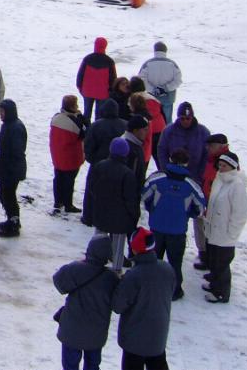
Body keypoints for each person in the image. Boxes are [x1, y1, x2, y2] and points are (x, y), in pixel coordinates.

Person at [142, 147, 205, 300]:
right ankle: (175, 290)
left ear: (170, 160)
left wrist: (153, 210)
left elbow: (145, 196)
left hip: (157, 227)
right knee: (175, 262)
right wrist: (186, 214)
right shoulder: (192, 185)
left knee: (154, 260)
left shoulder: (156, 178)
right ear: (186, 164)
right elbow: (200, 207)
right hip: (177, 231)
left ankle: (151, 287)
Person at [112, 228, 176, 370]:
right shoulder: (167, 269)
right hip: (158, 337)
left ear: (134, 249)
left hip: (134, 341)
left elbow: (118, 306)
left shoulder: (133, 276)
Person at [52, 237, 119, 370]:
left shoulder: (75, 269)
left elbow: (58, 282)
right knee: (93, 365)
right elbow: (117, 303)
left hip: (71, 331)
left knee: (70, 366)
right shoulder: (111, 278)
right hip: (96, 334)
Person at [83, 138, 139, 273]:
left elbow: (91, 187)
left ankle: (94, 265)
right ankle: (116, 271)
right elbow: (130, 198)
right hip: (120, 217)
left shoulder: (99, 166)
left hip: (101, 211)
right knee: (118, 246)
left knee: (98, 240)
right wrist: (134, 215)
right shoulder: (127, 173)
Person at [203, 151, 247, 303]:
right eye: (220, 165)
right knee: (214, 260)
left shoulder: (237, 185)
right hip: (214, 230)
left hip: (225, 234)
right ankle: (214, 285)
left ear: (232, 167)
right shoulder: (219, 180)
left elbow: (240, 213)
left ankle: (221, 293)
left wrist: (231, 233)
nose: (220, 168)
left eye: (224, 166)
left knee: (222, 264)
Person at [0, 99, 27, 237]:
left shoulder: (15, 127)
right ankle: (11, 218)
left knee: (8, 195)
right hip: (7, 167)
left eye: (2, 111)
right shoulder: (8, 125)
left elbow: (15, 150)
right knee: (4, 193)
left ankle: (14, 221)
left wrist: (3, 160)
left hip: (12, 169)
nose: (0, 114)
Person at [50, 95, 87, 214]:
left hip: (57, 155)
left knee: (58, 178)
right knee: (69, 181)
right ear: (73, 107)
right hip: (71, 157)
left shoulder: (55, 118)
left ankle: (58, 201)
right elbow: (85, 132)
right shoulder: (75, 122)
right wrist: (81, 117)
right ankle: (68, 204)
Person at [138, 42, 182, 124]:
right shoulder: (172, 64)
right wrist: (166, 88)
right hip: (168, 97)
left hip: (152, 97)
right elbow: (178, 80)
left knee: (152, 120)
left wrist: (153, 89)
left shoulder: (147, 64)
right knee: (167, 120)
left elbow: (141, 79)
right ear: (166, 51)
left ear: (154, 50)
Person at [76, 37, 117, 122]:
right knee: (99, 116)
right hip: (102, 93)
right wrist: (110, 91)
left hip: (87, 91)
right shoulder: (109, 61)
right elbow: (113, 78)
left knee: (86, 114)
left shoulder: (87, 59)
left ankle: (86, 132)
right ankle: (96, 132)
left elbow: (80, 75)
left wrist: (80, 88)